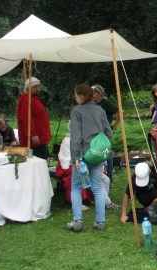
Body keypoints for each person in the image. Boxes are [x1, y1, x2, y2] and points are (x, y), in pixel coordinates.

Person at [66, 83, 113, 232]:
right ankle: (100, 222)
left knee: (76, 187)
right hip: (97, 155)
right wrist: (100, 147)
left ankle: (77, 220)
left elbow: (76, 138)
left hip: (83, 156)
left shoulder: (77, 111)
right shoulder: (100, 110)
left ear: (80, 96)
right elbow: (109, 133)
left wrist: (76, 157)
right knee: (98, 187)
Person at [16, 77, 51, 159]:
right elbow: (26, 118)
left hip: (39, 139)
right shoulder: (26, 99)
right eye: (35, 87)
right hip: (34, 141)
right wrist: (32, 134)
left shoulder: (33, 99)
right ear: (28, 88)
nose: (38, 89)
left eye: (38, 86)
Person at [91, 84, 119, 182]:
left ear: (99, 94)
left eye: (94, 93)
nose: (92, 95)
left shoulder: (105, 103)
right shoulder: (93, 103)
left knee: (107, 152)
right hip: (96, 131)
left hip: (105, 131)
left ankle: (109, 175)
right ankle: (100, 172)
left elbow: (120, 111)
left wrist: (115, 125)